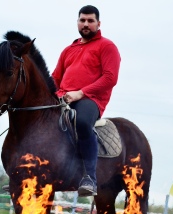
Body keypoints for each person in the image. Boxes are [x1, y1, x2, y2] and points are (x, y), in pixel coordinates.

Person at [52, 5, 121, 197]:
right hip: (63, 97)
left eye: (90, 21)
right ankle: (27, 172)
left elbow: (110, 78)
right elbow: (56, 77)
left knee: (82, 122)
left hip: (90, 100)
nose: (86, 24)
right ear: (77, 22)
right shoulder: (68, 50)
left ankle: (89, 177)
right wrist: (55, 94)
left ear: (98, 24)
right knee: (37, 120)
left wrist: (80, 93)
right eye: (82, 20)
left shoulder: (107, 46)